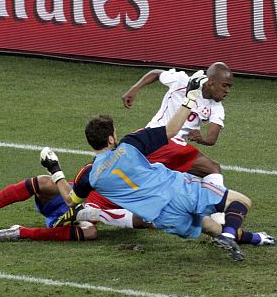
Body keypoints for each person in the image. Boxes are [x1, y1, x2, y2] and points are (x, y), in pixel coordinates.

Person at [42, 75, 258, 261]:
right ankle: (230, 237)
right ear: (111, 138)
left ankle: (254, 238)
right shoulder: (130, 144)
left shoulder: (89, 175)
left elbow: (70, 200)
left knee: (212, 228)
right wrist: (190, 99)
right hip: (178, 191)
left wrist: (55, 169)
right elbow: (172, 130)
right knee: (241, 202)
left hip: (161, 216)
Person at [121, 63, 232, 187]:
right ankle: (216, 203)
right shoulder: (182, 81)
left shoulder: (216, 107)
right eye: (224, 86)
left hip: (172, 147)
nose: (227, 91)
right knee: (213, 169)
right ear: (211, 82)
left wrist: (202, 139)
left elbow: (212, 138)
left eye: (229, 87)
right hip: (156, 136)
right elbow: (156, 73)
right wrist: (134, 89)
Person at [0, 172, 148, 242]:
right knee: (44, 182)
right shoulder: (118, 174)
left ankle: (21, 232)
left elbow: (139, 221)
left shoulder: (137, 202)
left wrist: (155, 219)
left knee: (90, 233)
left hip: (78, 216)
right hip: (67, 196)